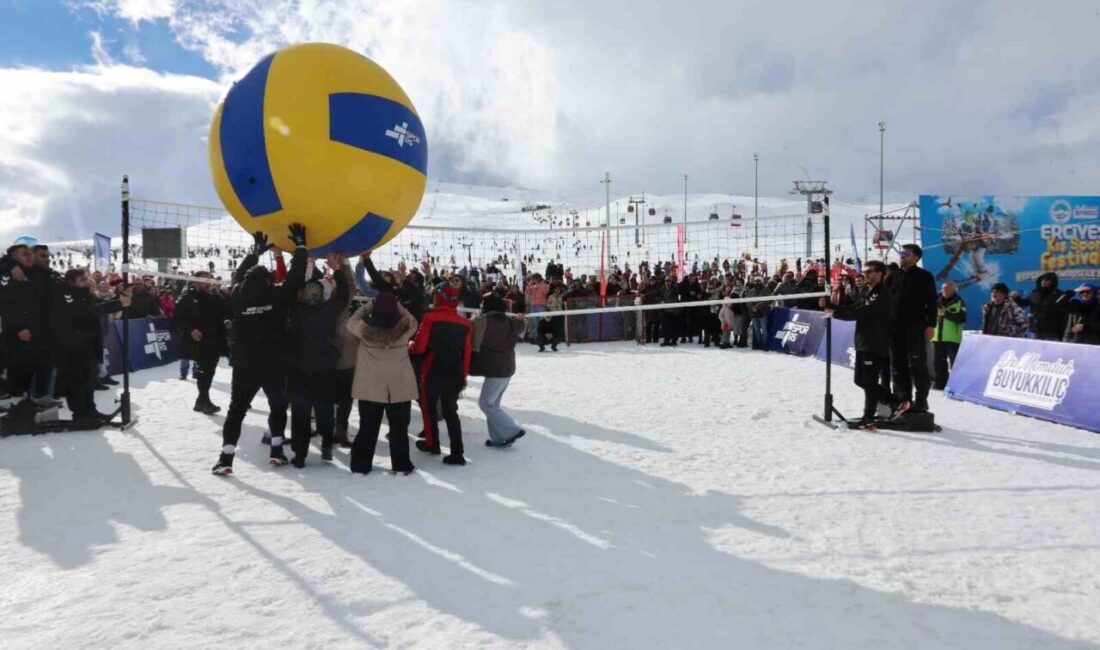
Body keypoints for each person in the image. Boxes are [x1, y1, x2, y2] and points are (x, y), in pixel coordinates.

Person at [212, 226, 307, 476]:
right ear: (267, 281)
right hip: (273, 363)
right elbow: (296, 278)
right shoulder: (275, 295)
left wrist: (255, 253)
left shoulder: (237, 295)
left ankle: (226, 457)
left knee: (236, 410)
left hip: (245, 364)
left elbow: (237, 277)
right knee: (277, 405)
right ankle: (276, 450)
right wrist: (300, 246)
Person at [286, 253, 351, 467]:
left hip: (300, 370)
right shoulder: (329, 311)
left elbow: (290, 287)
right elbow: (344, 295)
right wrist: (337, 268)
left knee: (301, 413)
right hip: (325, 369)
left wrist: (304, 263)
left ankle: (300, 454)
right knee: (324, 410)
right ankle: (325, 445)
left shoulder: (295, 311)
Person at [346, 293, 418, 474]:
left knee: (367, 428)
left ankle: (361, 466)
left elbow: (352, 320)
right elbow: (412, 320)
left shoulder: (364, 330)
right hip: (399, 387)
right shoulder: (406, 329)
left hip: (370, 388)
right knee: (399, 429)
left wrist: (370, 305)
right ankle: (401, 466)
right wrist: (397, 304)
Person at [823, 260, 895, 430]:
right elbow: (854, 307)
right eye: (865, 272)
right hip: (864, 341)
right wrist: (831, 306)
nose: (866, 275)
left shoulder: (882, 292)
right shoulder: (870, 292)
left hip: (875, 342)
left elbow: (861, 312)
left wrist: (835, 313)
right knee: (860, 380)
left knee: (869, 381)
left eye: (870, 271)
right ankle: (892, 402)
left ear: (880, 273)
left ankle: (872, 416)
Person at [51, 269, 128, 424]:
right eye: (82, 279)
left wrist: (120, 300)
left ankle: (90, 410)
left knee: (89, 381)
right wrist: (118, 304)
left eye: (86, 278)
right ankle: (80, 414)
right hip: (74, 347)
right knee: (77, 383)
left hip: (90, 344)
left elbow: (99, 305)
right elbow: (85, 311)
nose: (86, 281)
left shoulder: (87, 294)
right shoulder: (67, 295)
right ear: (72, 281)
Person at [411, 284, 473, 465]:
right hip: (455, 372)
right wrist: (463, 376)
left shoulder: (430, 318)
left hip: (432, 370)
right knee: (451, 411)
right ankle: (457, 451)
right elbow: (467, 353)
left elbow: (420, 347)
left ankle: (432, 443)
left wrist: (410, 347)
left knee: (428, 408)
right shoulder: (465, 324)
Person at [471, 293, 528, 447]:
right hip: (507, 367)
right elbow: (522, 331)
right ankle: (498, 438)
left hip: (495, 368)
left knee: (486, 404)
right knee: (493, 405)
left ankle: (512, 430)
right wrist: (521, 319)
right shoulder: (510, 321)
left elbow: (474, 342)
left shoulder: (482, 320)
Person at [889, 243, 937, 415]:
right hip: (895, 329)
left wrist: (931, 325)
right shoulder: (893, 276)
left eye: (906, 253)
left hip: (915, 328)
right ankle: (903, 400)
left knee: (918, 366)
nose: (902, 256)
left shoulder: (925, 276)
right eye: (901, 253)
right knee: (898, 366)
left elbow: (932, 302)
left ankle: (921, 401)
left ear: (916, 257)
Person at [173, 272, 230, 414]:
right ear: (196, 282)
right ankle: (204, 401)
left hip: (215, 341)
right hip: (198, 342)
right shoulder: (188, 298)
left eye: (209, 280)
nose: (208, 283)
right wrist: (190, 330)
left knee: (209, 372)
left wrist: (227, 322)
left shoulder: (218, 298)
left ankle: (201, 401)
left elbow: (226, 313)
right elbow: (177, 320)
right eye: (204, 280)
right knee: (204, 372)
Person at [931, 281, 966, 390]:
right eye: (942, 289)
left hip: (952, 338)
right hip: (937, 337)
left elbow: (961, 318)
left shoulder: (959, 302)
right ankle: (940, 383)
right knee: (938, 363)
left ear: (953, 290)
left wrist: (945, 313)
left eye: (947, 289)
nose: (944, 291)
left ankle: (957, 385)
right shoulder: (936, 301)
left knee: (954, 363)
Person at [1012, 272, 1067, 341]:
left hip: (1053, 331)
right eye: (1042, 279)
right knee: (1036, 350)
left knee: (1053, 350)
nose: (1043, 281)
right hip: (1036, 330)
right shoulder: (1035, 293)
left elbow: (1064, 313)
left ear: (1053, 282)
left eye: (1047, 280)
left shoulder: (1059, 294)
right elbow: (1023, 304)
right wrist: (1016, 298)